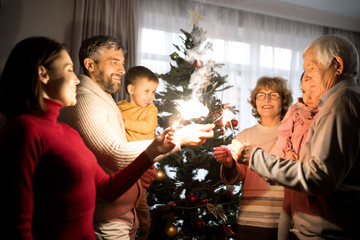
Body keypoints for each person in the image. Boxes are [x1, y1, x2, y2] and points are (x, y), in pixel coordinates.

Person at [0, 36, 191, 240]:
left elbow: (107, 189)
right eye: (68, 70)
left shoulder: (68, 134)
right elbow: (17, 225)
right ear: (43, 74)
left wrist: (153, 153)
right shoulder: (24, 131)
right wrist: (174, 141)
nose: (76, 78)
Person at [58, 35, 215, 240]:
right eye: (114, 62)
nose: (123, 70)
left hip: (122, 215)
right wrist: (180, 139)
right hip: (106, 221)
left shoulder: (103, 98)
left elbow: (114, 157)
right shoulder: (86, 100)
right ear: (90, 64)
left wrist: (140, 169)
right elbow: (116, 154)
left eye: (122, 63)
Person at [231, 35, 360, 239]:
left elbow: (320, 177)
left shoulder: (341, 104)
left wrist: (255, 157)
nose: (306, 76)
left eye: (311, 68)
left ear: (337, 64)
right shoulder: (335, 103)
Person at [213, 76, 292, 240]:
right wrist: (229, 164)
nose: (266, 99)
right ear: (255, 101)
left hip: (285, 220)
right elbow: (233, 179)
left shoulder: (293, 133)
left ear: (283, 100)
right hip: (250, 220)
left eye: (273, 95)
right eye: (260, 95)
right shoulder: (244, 136)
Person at [117, 65, 159, 240]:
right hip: (125, 161)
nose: (151, 96)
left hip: (143, 160)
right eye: (147, 91)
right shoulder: (118, 107)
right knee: (125, 200)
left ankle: (145, 230)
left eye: (154, 92)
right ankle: (129, 229)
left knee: (141, 201)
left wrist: (124, 122)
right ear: (131, 89)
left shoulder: (150, 109)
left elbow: (148, 127)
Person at [276, 73, 320, 239]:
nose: (307, 96)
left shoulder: (327, 112)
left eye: (312, 92)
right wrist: (287, 152)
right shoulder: (296, 110)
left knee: (311, 203)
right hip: (294, 163)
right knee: (288, 203)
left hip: (313, 166)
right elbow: (283, 134)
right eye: (303, 91)